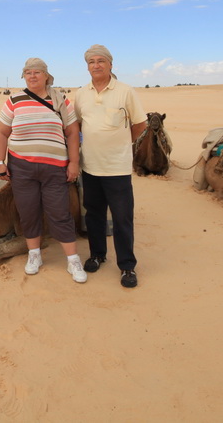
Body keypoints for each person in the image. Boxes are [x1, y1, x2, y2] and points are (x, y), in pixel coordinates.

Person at [0, 57, 86, 284]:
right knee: (28, 211)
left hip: (55, 167)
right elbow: (2, 133)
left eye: (37, 72)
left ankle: (73, 259)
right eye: (28, 73)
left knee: (60, 212)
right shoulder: (14, 101)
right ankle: (34, 254)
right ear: (24, 76)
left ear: (46, 76)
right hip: (21, 167)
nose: (32, 76)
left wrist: (74, 163)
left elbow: (72, 133)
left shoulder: (60, 100)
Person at [74, 44, 147, 288]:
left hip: (117, 168)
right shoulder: (81, 94)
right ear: (87, 67)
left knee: (122, 218)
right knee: (94, 215)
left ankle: (127, 266)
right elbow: (77, 125)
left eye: (100, 61)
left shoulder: (125, 91)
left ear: (110, 64)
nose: (96, 65)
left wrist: (122, 144)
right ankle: (97, 255)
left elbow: (140, 124)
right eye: (91, 62)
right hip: (90, 167)